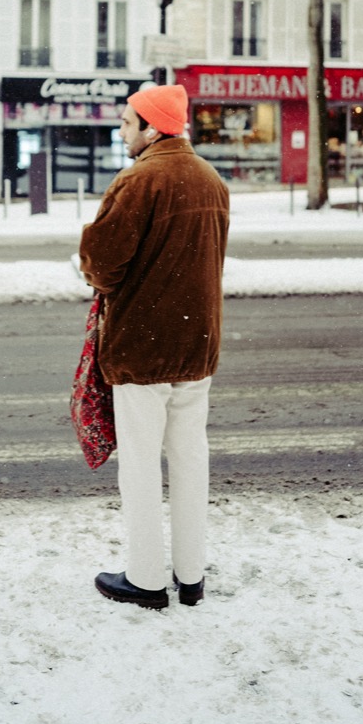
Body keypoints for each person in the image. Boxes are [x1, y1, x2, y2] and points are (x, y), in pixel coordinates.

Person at [79, 83, 229, 610]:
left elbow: (101, 266)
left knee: (141, 465)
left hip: (143, 349)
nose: (122, 132)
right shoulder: (212, 181)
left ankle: (145, 579)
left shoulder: (138, 180)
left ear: (152, 127)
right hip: (198, 344)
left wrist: (89, 254)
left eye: (127, 123)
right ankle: (191, 577)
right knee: (191, 460)